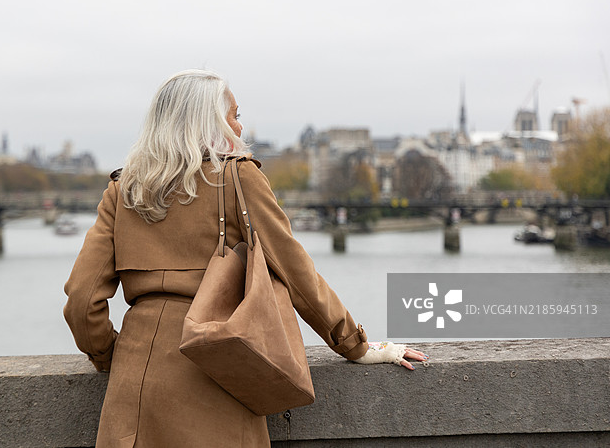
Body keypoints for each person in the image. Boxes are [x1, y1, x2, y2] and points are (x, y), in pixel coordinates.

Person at [63, 69, 426, 448]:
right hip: (216, 373)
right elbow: (296, 271)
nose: (240, 125)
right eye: (234, 114)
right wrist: (355, 343)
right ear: (208, 123)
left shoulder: (122, 191)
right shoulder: (238, 178)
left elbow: (82, 299)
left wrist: (111, 356)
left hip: (132, 388)